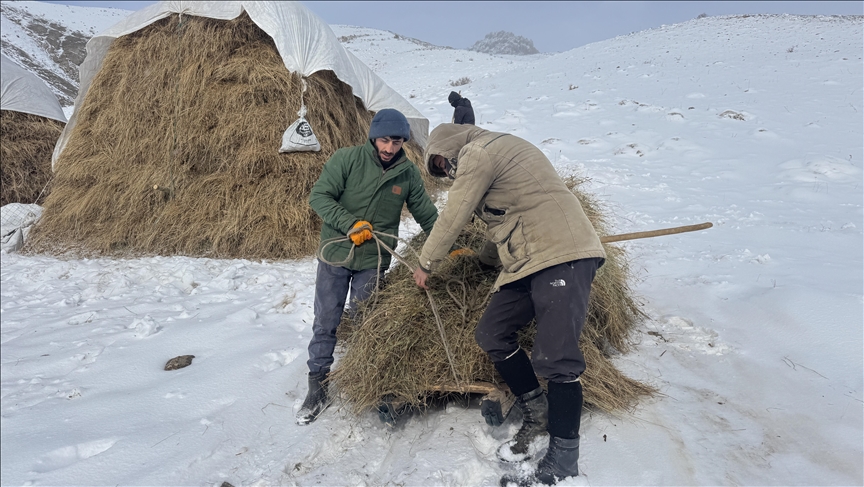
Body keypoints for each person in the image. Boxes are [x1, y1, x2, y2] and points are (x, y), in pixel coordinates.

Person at [412, 124, 606, 486]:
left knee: (557, 359)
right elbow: (503, 222)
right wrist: (483, 262)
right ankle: (537, 410)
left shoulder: (479, 151)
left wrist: (426, 263)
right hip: (528, 259)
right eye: (438, 169)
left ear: (449, 143)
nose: (446, 170)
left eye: (442, 161)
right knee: (492, 332)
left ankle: (562, 465)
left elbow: (455, 213)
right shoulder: (490, 158)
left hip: (562, 253)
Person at [297, 109, 438, 425]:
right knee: (327, 319)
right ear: (374, 137)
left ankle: (364, 379)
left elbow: (427, 215)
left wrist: (448, 244)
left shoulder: (407, 174)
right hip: (336, 255)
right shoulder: (346, 160)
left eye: (397, 141)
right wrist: (349, 224)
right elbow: (319, 197)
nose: (390, 148)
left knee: (366, 321)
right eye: (385, 140)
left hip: (372, 261)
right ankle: (317, 383)